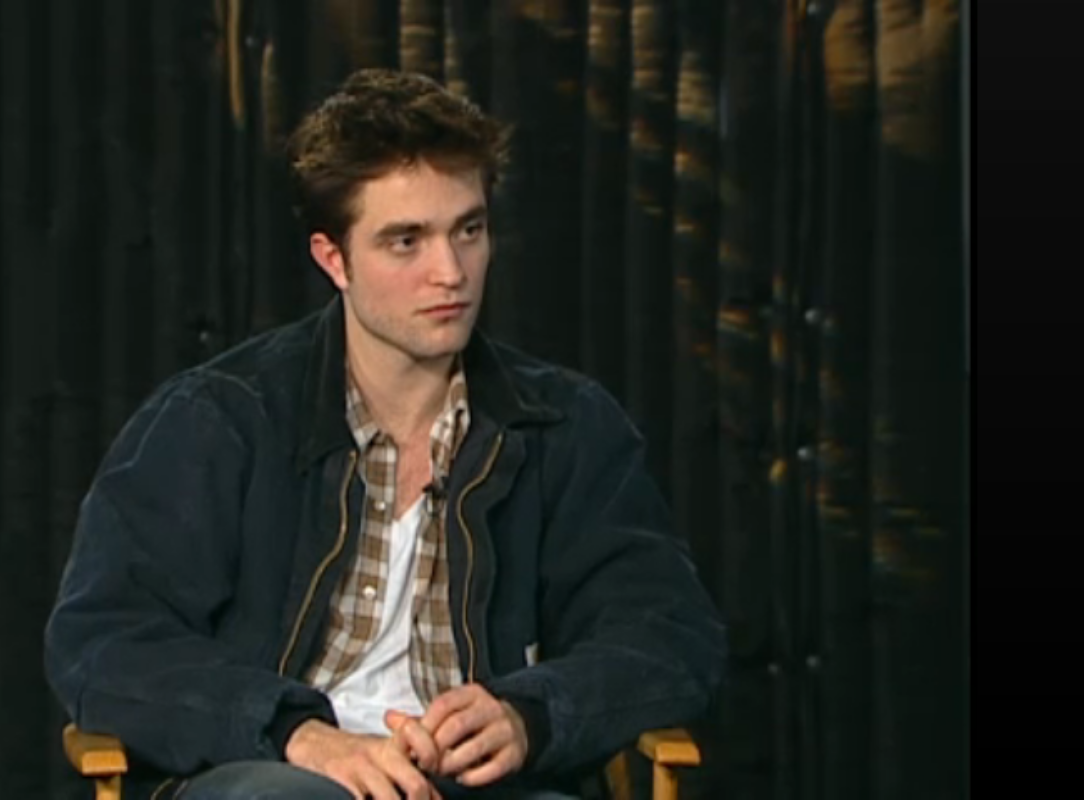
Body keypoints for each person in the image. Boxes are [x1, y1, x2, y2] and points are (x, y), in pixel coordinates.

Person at [44, 68, 725, 800]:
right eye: (406, 241)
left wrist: (531, 714)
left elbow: (667, 632)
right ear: (332, 259)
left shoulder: (566, 427)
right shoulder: (221, 419)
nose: (450, 272)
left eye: (469, 230)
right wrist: (296, 734)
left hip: (483, 786)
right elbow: (105, 640)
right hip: (283, 774)